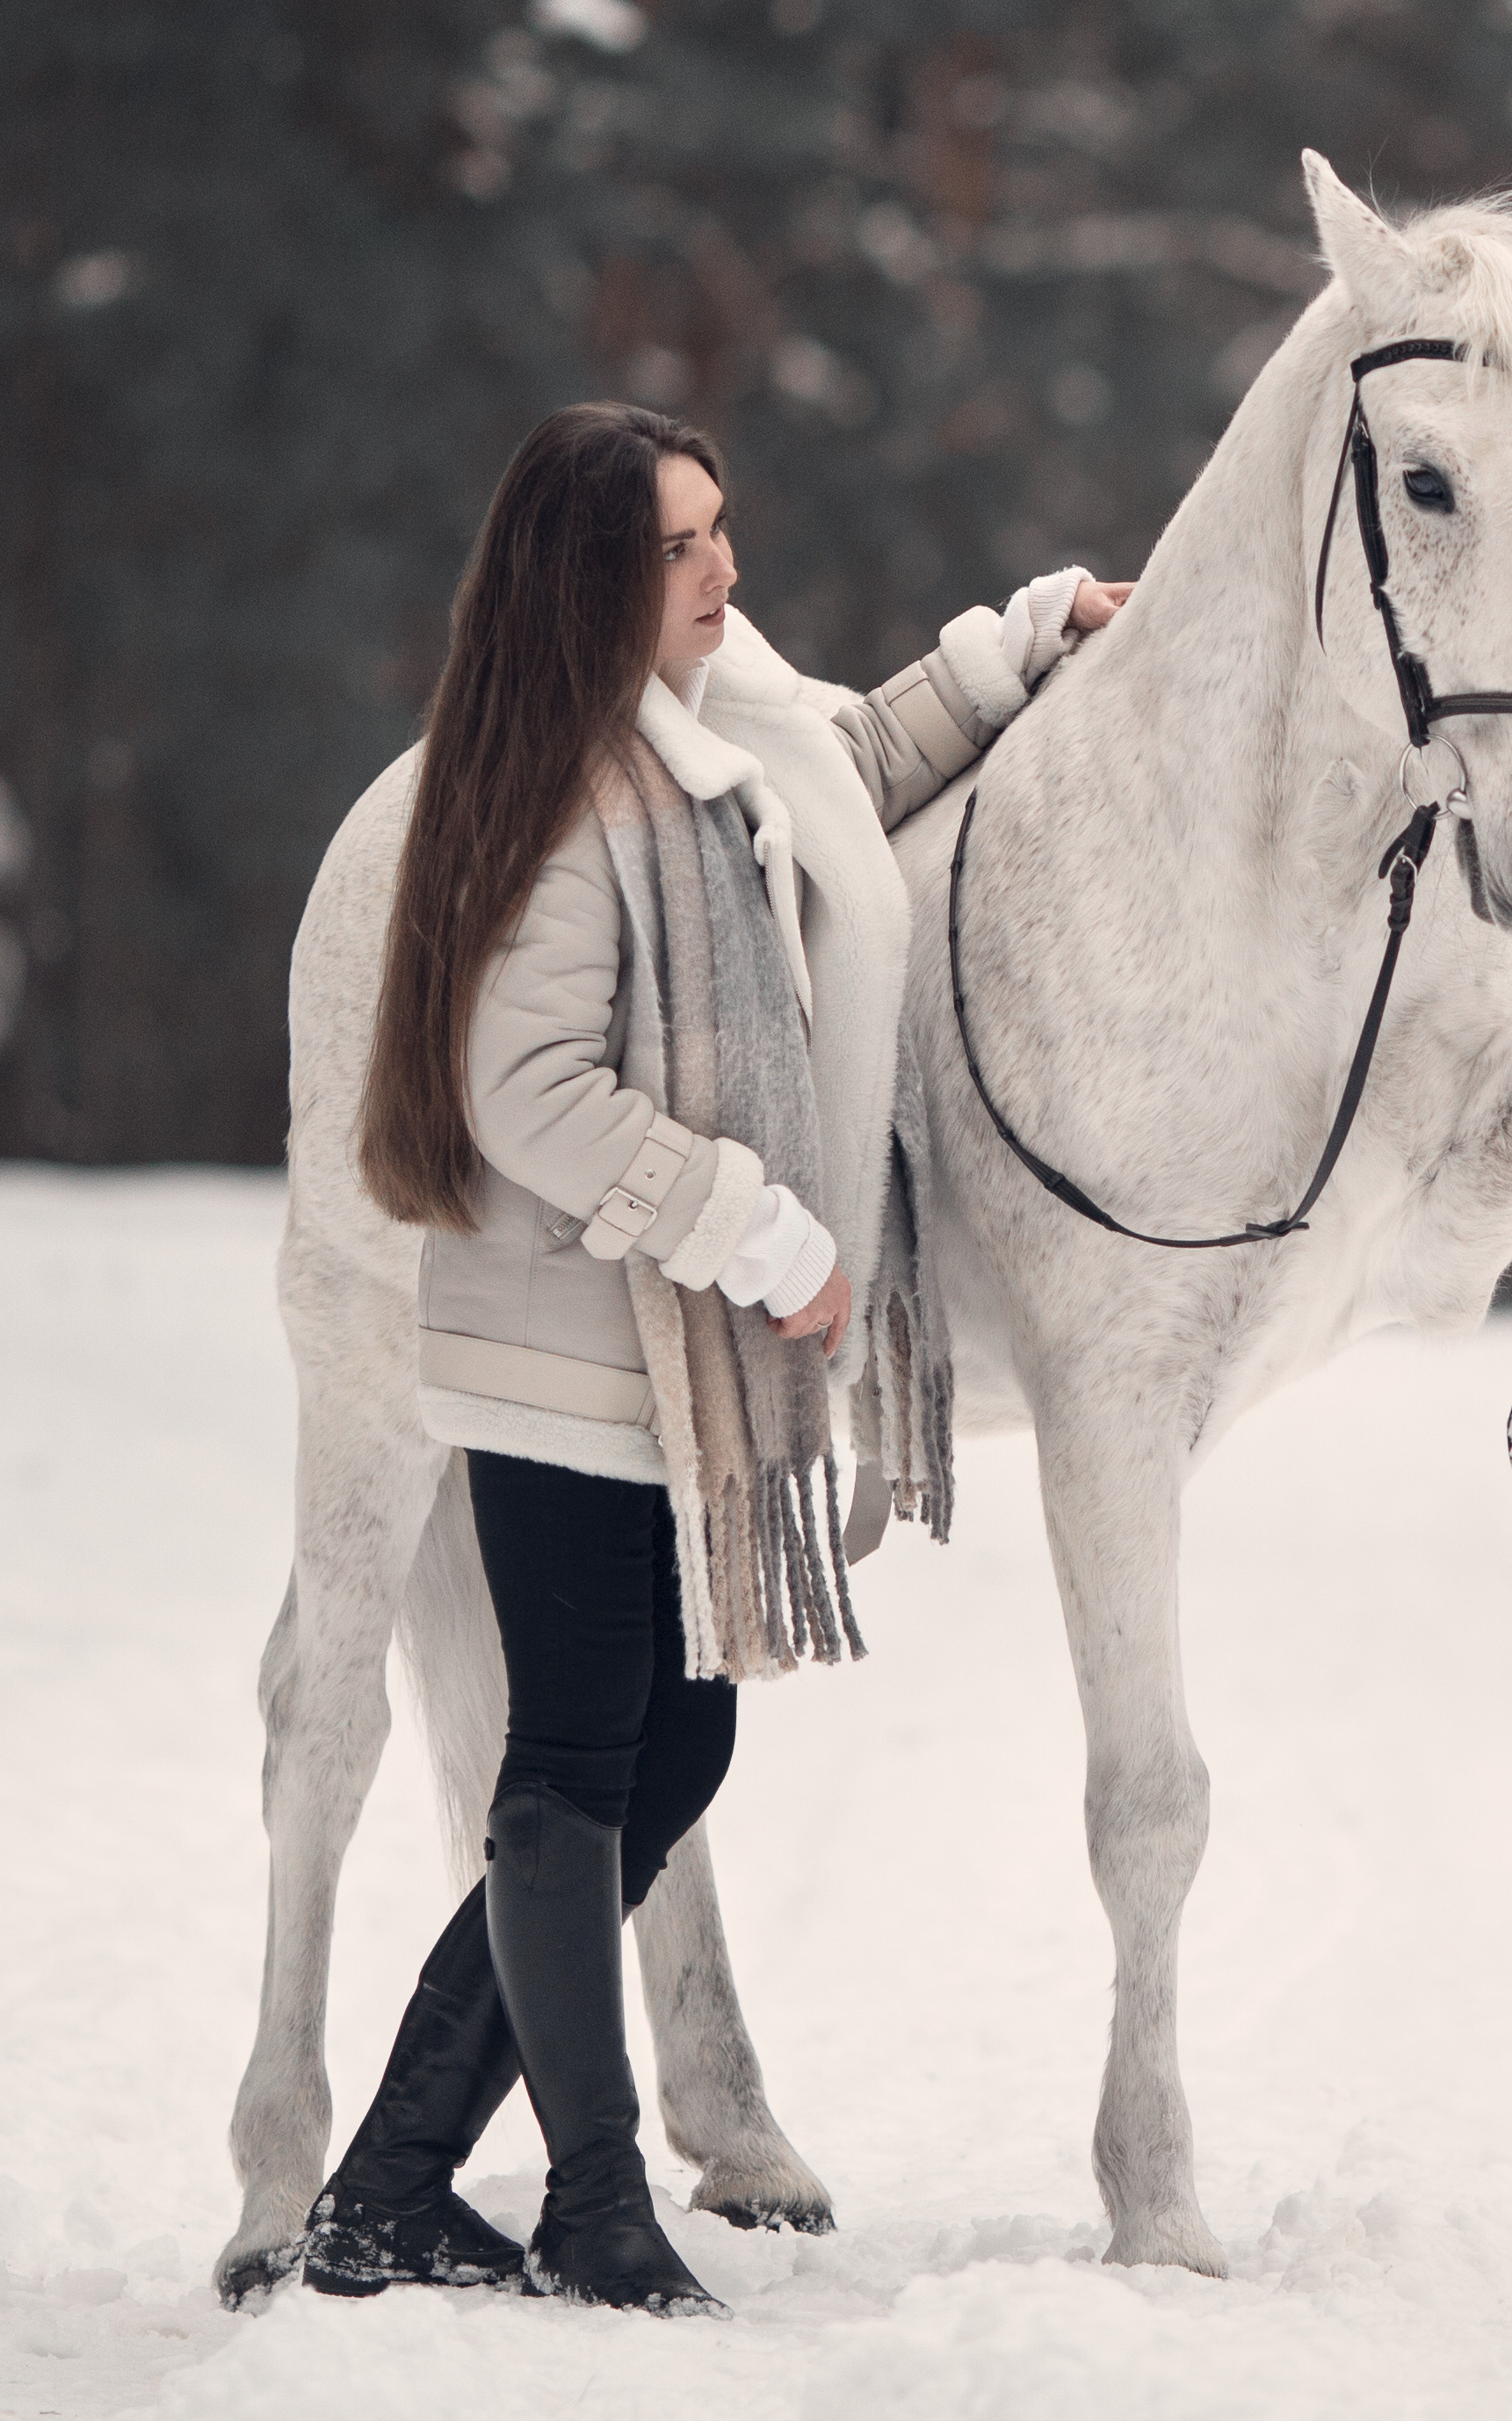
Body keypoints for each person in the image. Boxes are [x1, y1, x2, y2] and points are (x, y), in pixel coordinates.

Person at [298, 401, 1126, 2316]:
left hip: (651, 1374)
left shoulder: (705, 755)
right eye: (683, 549)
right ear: (595, 577)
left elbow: (852, 770)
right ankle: (591, 2205)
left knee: (670, 1744)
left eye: (721, 532)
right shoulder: (573, 803)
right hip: (569, 1359)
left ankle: (391, 2183)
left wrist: (1020, 644)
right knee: (577, 1775)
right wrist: (764, 1236)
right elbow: (527, 1093)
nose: (724, 571)